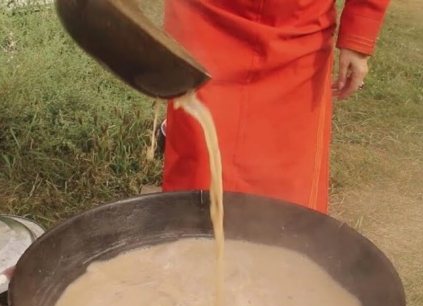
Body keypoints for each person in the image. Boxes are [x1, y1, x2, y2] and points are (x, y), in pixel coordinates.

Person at [161, 0, 391, 214]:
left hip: (298, 33)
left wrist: (359, 33)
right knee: (200, 163)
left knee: (285, 184)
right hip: (205, 19)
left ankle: (280, 249)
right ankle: (189, 246)